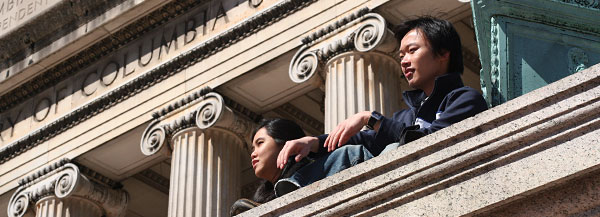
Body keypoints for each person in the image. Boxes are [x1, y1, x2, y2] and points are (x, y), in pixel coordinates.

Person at [274, 16, 488, 193]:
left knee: (390, 149)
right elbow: (364, 139)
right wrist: (314, 143)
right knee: (352, 151)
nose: (404, 61)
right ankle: (288, 198)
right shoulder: (406, 117)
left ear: (443, 54)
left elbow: (429, 141)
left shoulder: (465, 99)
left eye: (412, 51)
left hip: (440, 187)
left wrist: (370, 118)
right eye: (401, 55)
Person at [230, 118, 310, 215]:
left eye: (260, 143)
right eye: (253, 149)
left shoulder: (312, 175)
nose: (253, 154)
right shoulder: (258, 200)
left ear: (285, 145)